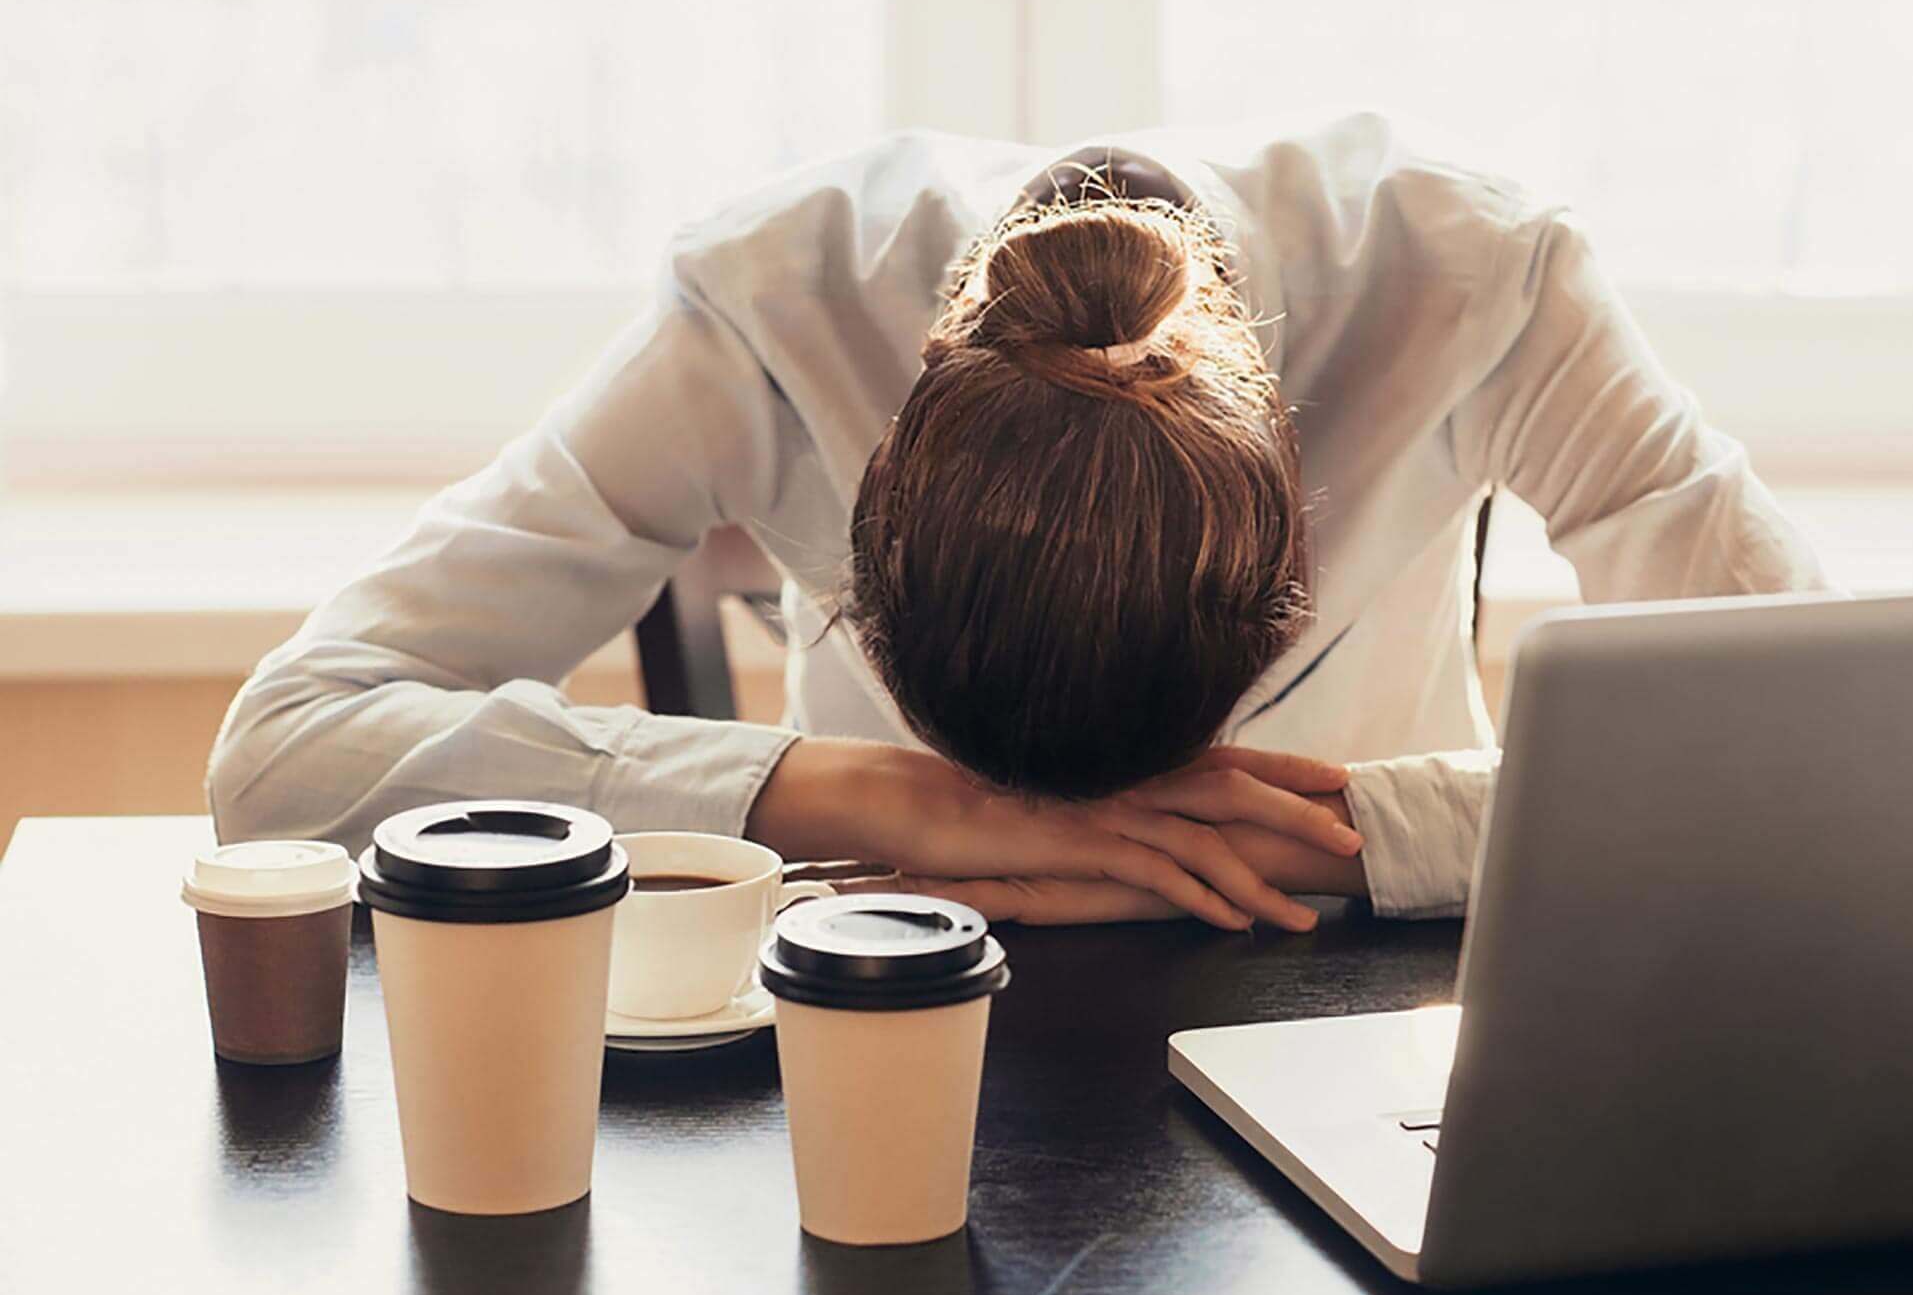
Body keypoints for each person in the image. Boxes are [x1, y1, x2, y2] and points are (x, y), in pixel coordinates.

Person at [209, 112, 1829, 930]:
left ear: (1290, 545)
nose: (1104, 832)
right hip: (897, 956)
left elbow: (1831, 751)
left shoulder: (1482, 280)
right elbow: (288, 750)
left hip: (1353, 987)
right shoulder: (777, 300)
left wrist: (1343, 838)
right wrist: (879, 800)